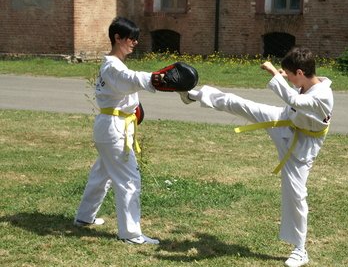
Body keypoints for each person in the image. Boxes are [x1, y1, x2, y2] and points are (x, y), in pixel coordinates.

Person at [179, 47, 333, 267]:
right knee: (240, 103)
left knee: (296, 196)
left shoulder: (323, 95)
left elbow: (294, 100)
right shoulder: (306, 83)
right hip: (285, 121)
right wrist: (282, 77)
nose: (287, 77)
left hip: (300, 149)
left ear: (300, 72)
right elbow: (293, 98)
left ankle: (300, 250)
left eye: (289, 74)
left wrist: (273, 73)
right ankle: (192, 94)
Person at [74, 16, 159, 245]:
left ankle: (84, 217)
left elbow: (125, 86)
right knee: (129, 179)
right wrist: (157, 79)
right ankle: (131, 234)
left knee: (102, 174)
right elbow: (129, 79)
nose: (135, 42)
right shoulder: (113, 67)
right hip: (113, 128)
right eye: (131, 38)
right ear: (117, 37)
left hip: (111, 125)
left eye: (137, 38)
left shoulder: (113, 65)